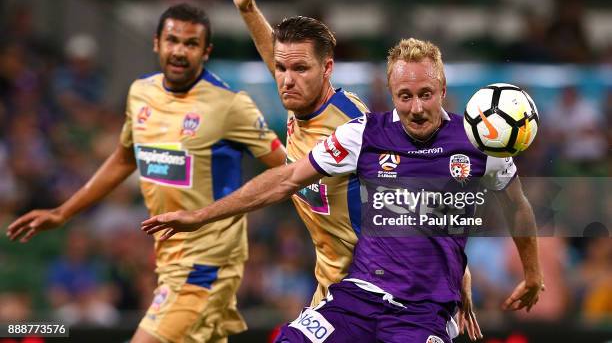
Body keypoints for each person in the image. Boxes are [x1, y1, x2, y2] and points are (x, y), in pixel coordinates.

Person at [146, 27, 544, 342]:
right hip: (359, 298)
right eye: (405, 96)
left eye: (426, 94)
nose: (416, 107)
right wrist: (201, 216)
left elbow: (518, 206)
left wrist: (531, 274)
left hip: (424, 311)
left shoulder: (479, 142)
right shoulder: (363, 134)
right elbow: (285, 179)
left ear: (442, 91)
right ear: (391, 94)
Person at [233, 0, 480, 340]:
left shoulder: (353, 126)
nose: (286, 78)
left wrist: (458, 270)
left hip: (377, 292)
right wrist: (247, 10)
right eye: (283, 69)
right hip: (333, 290)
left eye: (299, 69)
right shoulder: (300, 100)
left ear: (325, 70)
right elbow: (281, 59)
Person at [7, 3, 286, 343]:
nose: (180, 51)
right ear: (156, 43)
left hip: (207, 265)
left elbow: (285, 171)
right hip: (169, 263)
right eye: (172, 40)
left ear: (206, 51)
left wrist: (216, 213)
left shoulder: (230, 105)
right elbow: (125, 159)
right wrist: (62, 212)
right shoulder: (142, 92)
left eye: (191, 43)